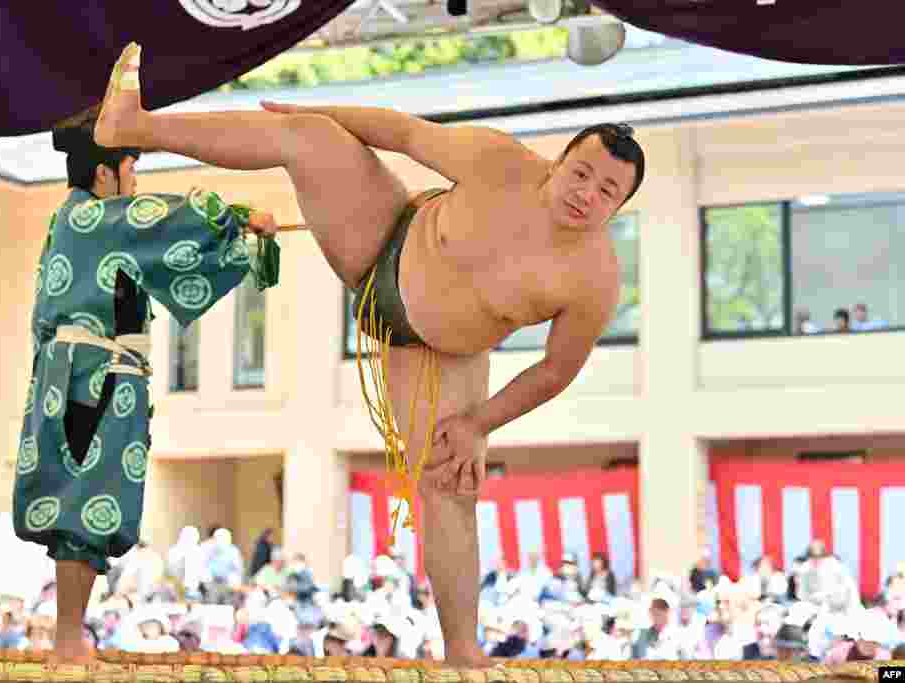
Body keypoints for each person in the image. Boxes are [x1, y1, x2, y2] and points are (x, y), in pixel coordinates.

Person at [94, 42, 645, 667]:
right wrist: (321, 114)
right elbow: (402, 132)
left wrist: (477, 424)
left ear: (617, 207)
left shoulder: (593, 280)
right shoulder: (498, 160)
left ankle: (463, 652)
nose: (587, 194)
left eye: (607, 191)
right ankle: (134, 126)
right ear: (558, 162)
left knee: (449, 483)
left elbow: (554, 370)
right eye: (582, 173)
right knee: (307, 138)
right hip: (383, 235)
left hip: (436, 350)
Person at [14, 112, 279, 663]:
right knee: (84, 503)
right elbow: (169, 219)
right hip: (94, 377)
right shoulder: (93, 218)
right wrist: (242, 219)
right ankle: (67, 639)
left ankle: (69, 635)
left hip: (82, 374)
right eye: (130, 170)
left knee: (84, 501)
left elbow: (152, 234)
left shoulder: (74, 219)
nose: (134, 183)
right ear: (105, 175)